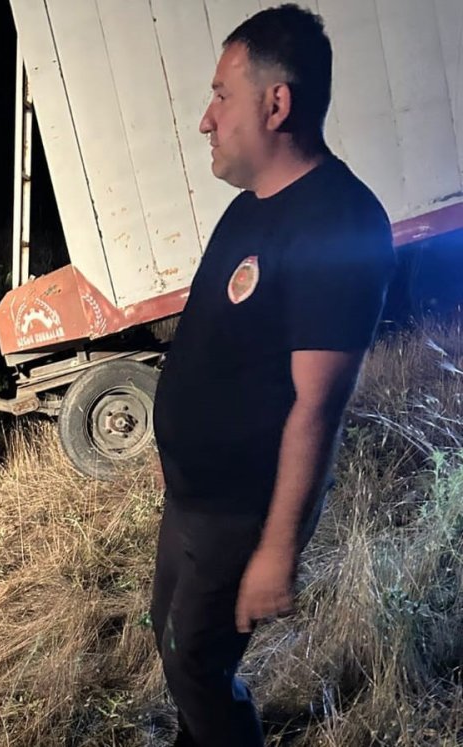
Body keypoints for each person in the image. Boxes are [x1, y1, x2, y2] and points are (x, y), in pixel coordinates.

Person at [149, 5, 396, 746]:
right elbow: (214, 348)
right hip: (194, 497)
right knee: (171, 638)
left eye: (222, 94)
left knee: (196, 662)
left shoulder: (339, 223)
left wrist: (278, 550)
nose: (206, 119)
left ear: (276, 102)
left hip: (239, 512)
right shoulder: (250, 209)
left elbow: (317, 410)